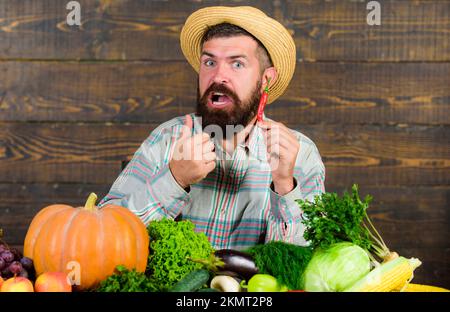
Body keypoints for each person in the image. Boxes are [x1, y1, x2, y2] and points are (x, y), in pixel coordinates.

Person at [99, 6, 325, 250]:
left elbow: (311, 261)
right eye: (209, 62)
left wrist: (284, 185)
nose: (218, 76)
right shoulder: (168, 139)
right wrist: (174, 180)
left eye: (237, 64)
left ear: (266, 80)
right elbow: (104, 235)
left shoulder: (301, 154)